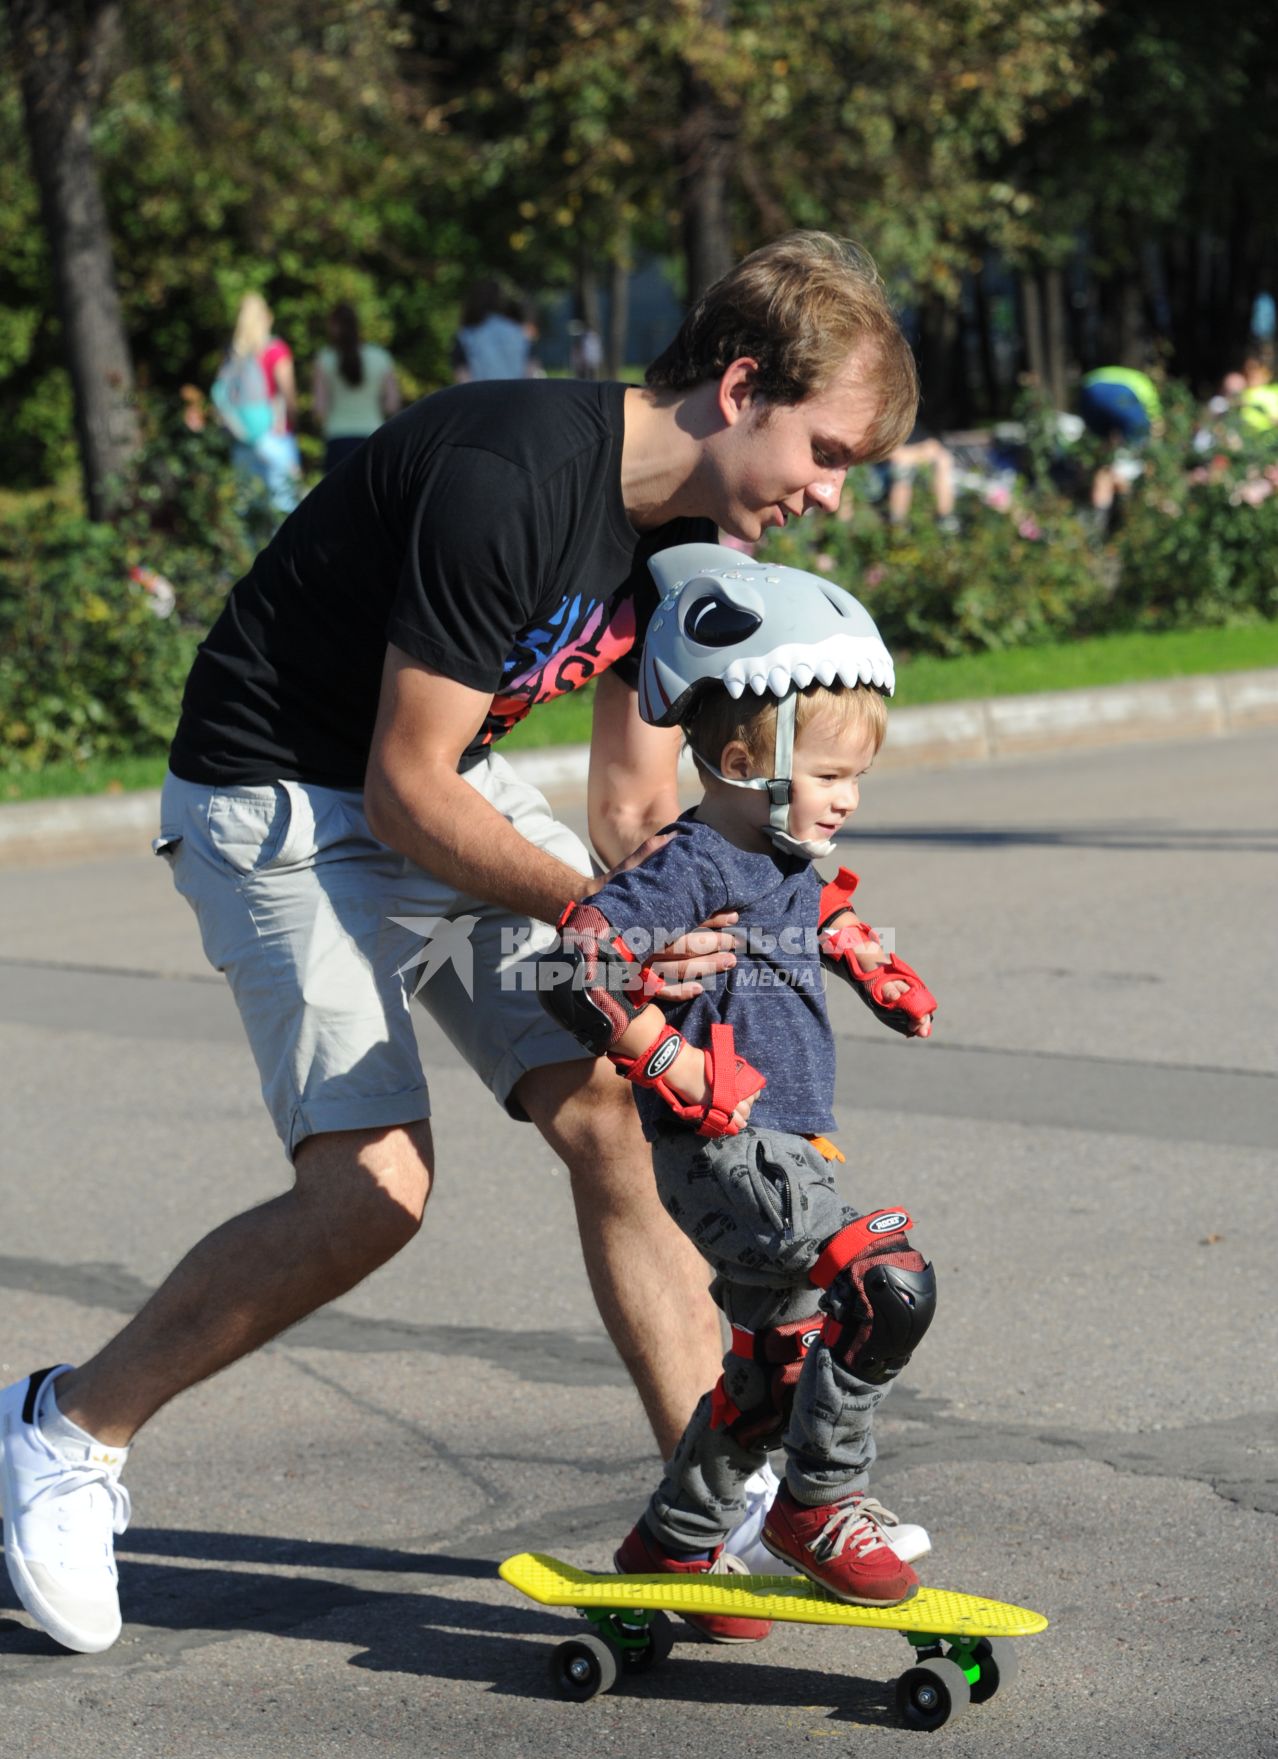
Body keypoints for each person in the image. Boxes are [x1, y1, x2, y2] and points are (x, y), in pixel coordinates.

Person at [0, 230, 920, 1657]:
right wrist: (594, 923)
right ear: (742, 385)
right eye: (829, 448)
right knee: (372, 1190)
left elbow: (631, 804)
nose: (830, 488)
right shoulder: (511, 479)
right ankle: (65, 1430)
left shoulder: (692, 542)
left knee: (621, 1099)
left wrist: (716, 934)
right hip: (280, 797)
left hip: (428, 786)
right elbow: (401, 788)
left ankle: (715, 1491)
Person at [536, 545, 938, 1637]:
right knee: (888, 1287)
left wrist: (867, 959)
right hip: (725, 1149)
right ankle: (818, 1505)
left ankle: (673, 1541)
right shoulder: (694, 864)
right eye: (833, 777)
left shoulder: (773, 854)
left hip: (784, 1143)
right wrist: (666, 1058)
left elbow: (806, 915)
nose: (850, 800)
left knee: (769, 1375)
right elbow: (577, 958)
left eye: (857, 778)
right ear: (741, 758)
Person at [211, 293, 301, 518]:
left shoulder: (235, 353)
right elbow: (288, 394)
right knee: (286, 511)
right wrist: (291, 422)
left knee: (251, 514)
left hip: (242, 440)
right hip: (273, 435)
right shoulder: (275, 350)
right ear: (266, 318)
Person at [312, 304, 401, 474]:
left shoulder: (324, 359)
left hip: (337, 439)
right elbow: (392, 404)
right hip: (373, 436)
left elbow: (319, 409)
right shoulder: (380, 357)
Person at [1077, 362, 1163, 527]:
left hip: (1087, 390)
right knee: (1134, 458)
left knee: (1105, 460)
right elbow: (1156, 424)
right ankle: (1129, 510)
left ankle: (1098, 516)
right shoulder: (1146, 387)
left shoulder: (1129, 377)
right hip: (1119, 394)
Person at [452, 280, 535, 382]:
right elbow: (531, 369)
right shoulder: (518, 331)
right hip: (516, 394)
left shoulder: (467, 335)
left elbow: (463, 376)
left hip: (482, 394)